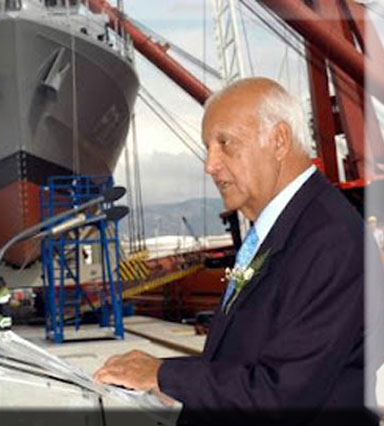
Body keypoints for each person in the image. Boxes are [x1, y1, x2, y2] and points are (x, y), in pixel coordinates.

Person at [93, 78, 383, 425]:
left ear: (279, 140)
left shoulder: (329, 239)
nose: (210, 165)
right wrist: (168, 380)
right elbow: (246, 359)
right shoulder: (285, 230)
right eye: (208, 148)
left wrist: (163, 375)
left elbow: (283, 395)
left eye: (225, 143)